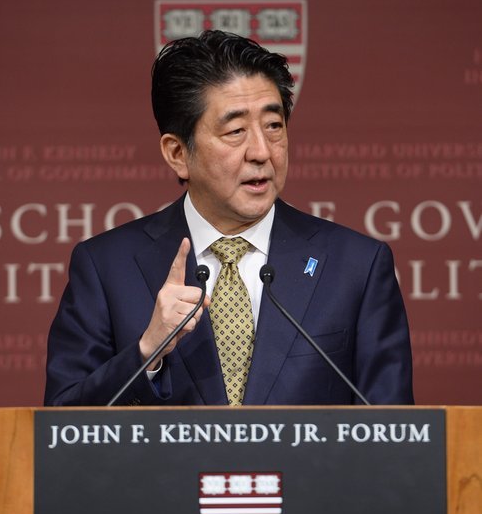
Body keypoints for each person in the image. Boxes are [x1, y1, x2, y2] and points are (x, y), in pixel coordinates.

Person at [45, 30, 413, 407]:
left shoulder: (356, 267)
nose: (262, 152)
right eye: (236, 131)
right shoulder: (107, 268)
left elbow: (394, 431)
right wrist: (146, 354)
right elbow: (61, 424)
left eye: (274, 126)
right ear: (177, 154)